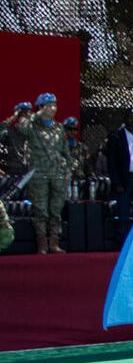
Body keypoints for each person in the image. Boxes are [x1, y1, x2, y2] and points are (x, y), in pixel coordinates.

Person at [14, 93, 71, 253]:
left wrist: (68, 170)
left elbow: (65, 151)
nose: (53, 108)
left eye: (55, 105)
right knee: (40, 210)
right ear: (40, 107)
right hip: (39, 174)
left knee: (56, 209)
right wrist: (36, 114)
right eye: (49, 105)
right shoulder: (31, 126)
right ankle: (42, 244)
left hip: (57, 173)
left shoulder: (59, 128)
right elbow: (20, 127)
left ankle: (54, 242)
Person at [104, 113, 133, 242]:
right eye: (130, 117)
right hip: (123, 180)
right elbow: (112, 162)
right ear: (125, 119)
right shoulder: (116, 136)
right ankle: (121, 240)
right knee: (123, 212)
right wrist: (116, 182)